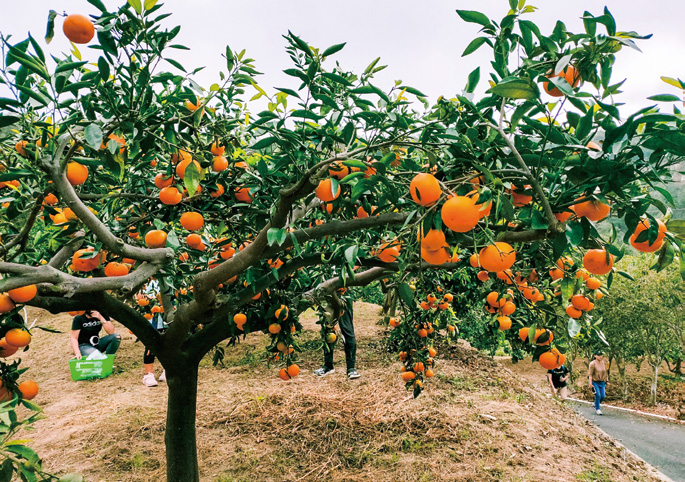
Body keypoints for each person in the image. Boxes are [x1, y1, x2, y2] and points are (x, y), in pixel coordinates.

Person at [314, 289, 360, 380]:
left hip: (344, 293)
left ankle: (351, 368)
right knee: (327, 331)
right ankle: (328, 366)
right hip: (326, 293)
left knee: (347, 330)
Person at [142, 312, 166, 387]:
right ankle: (148, 374)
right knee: (151, 342)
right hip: (152, 315)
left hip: (167, 312)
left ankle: (168, 370)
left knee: (170, 339)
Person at [588, 350, 609, 415]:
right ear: (595, 356)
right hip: (595, 381)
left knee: (603, 396)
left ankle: (595, 404)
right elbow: (590, 374)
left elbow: (606, 372)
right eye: (598, 355)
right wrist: (590, 383)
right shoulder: (592, 364)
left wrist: (607, 380)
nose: (600, 357)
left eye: (601, 355)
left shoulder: (604, 363)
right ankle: (598, 409)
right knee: (598, 395)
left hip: (602, 382)